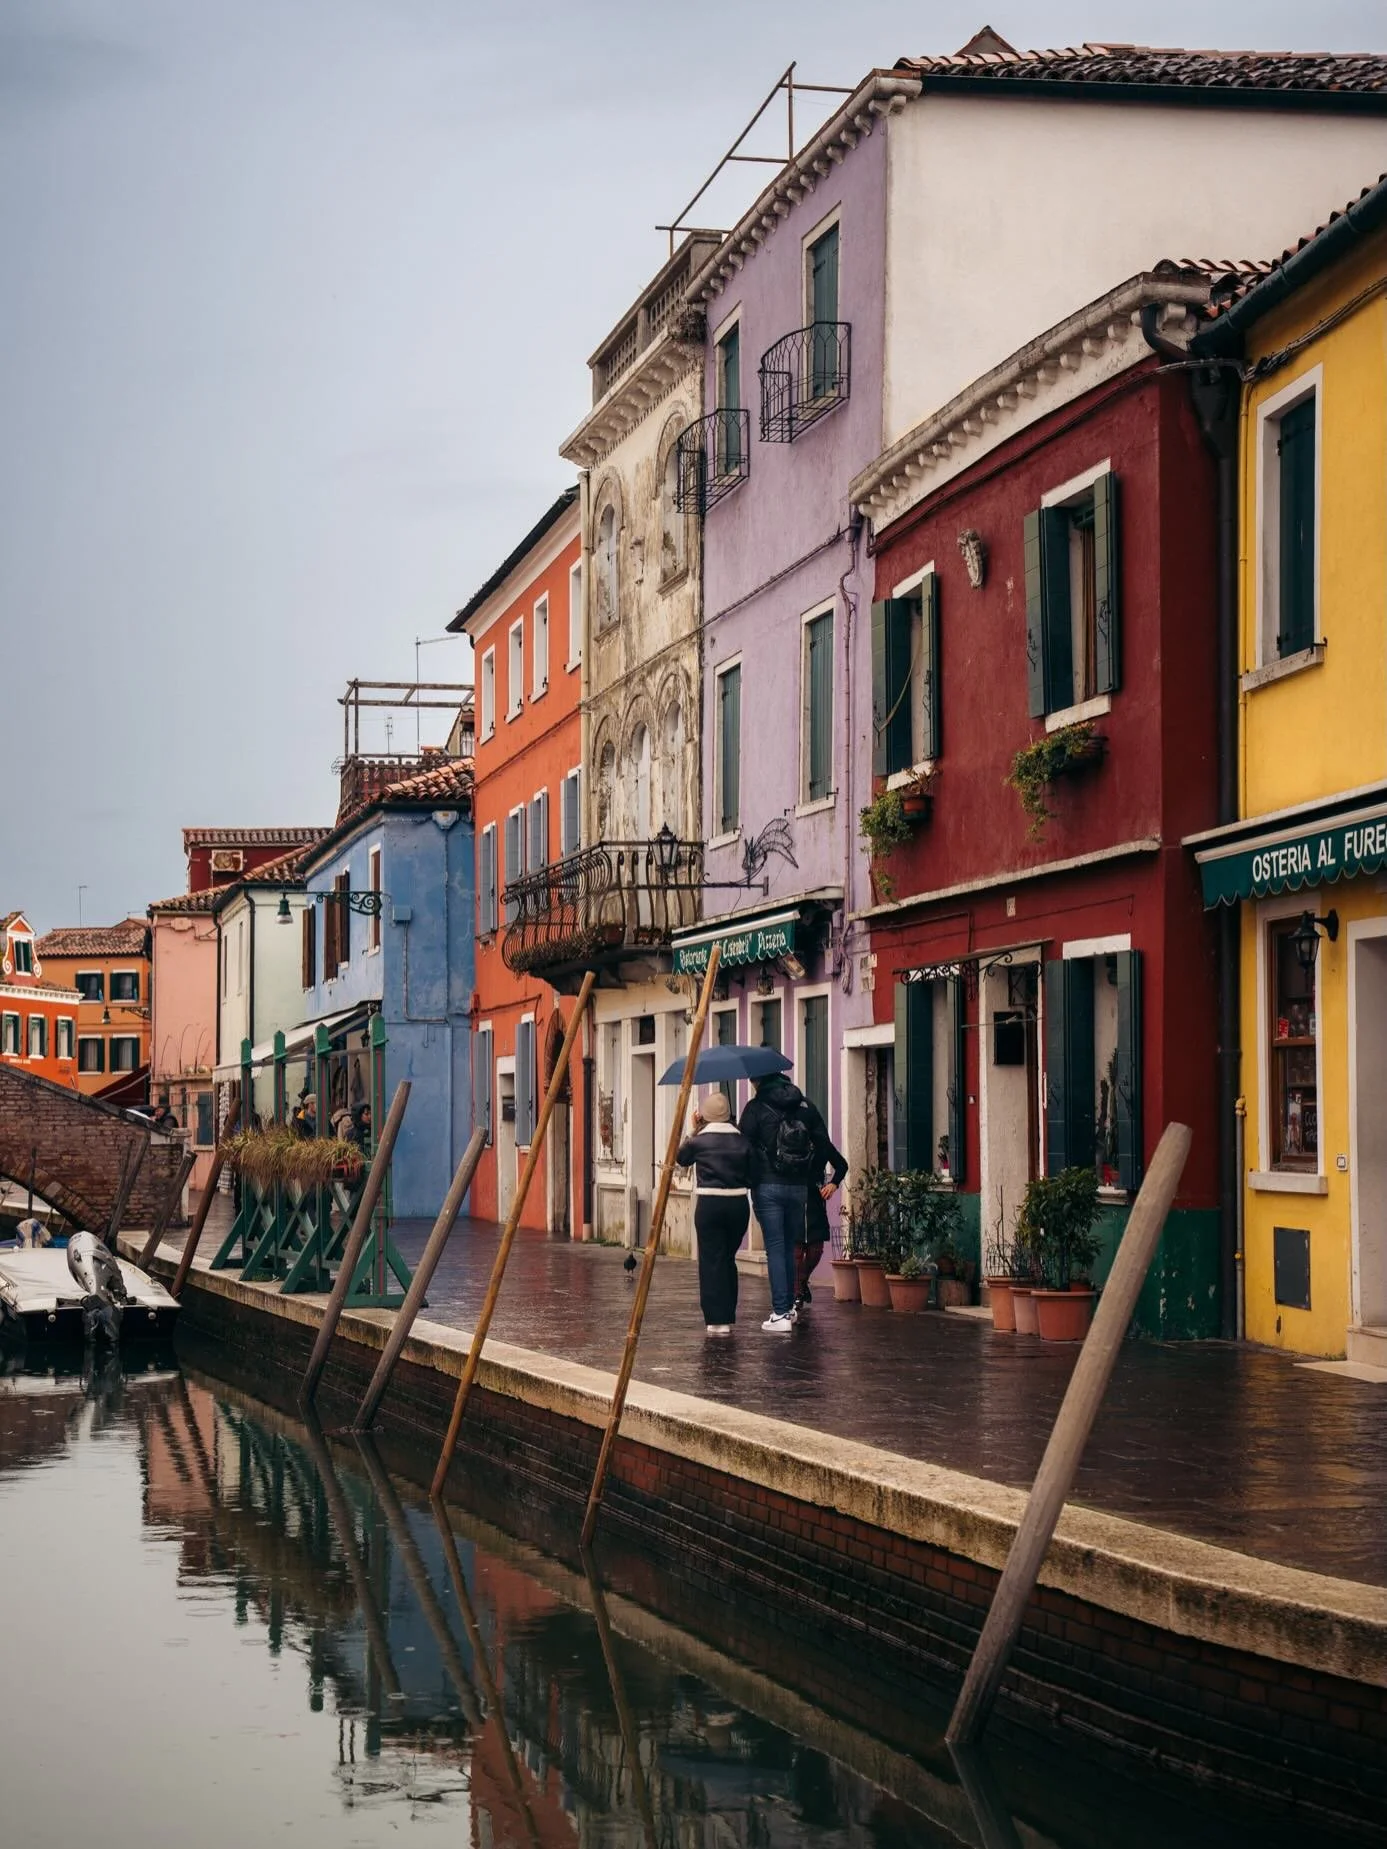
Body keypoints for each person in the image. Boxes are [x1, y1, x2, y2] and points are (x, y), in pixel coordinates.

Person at [739, 1072, 827, 1332]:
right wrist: (809, 1175)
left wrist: (752, 1178)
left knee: (776, 1247)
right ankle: (789, 1308)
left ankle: (780, 1313)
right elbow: (823, 1144)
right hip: (799, 1187)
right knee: (789, 1245)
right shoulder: (806, 1106)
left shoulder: (755, 1108)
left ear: (758, 1081)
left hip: (767, 1186)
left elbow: (744, 1148)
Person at [676, 1092, 753, 1335]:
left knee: (711, 1260)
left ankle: (716, 1320)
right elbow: (754, 1173)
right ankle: (728, 1313)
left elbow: (681, 1158)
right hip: (738, 1204)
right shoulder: (743, 1140)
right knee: (728, 1258)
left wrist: (693, 1130)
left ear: (704, 1115)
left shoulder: (699, 1141)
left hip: (709, 1204)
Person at [797, 1128, 848, 1310]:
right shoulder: (790, 1140)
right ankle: (796, 1295)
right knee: (796, 1251)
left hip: (815, 1200)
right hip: (793, 1199)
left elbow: (842, 1165)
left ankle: (801, 1282)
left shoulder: (822, 1143)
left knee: (815, 1250)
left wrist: (833, 1184)